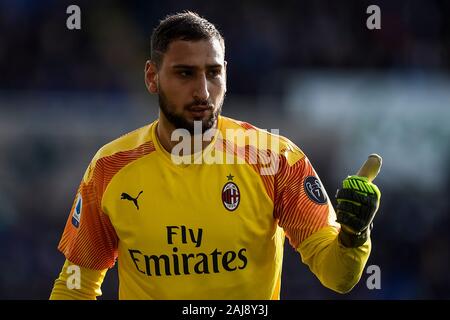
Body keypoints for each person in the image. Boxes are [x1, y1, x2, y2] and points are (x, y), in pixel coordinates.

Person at [50, 11, 381, 300]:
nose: (203, 91)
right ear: (152, 77)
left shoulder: (274, 159)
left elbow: (338, 277)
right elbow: (75, 286)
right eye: (185, 73)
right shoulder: (110, 168)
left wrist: (354, 235)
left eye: (213, 73)